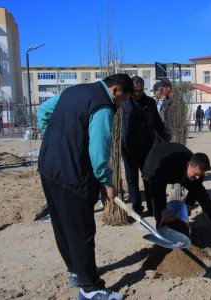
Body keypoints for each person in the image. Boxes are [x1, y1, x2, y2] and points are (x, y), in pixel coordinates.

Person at [37, 74, 134, 300]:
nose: (120, 106)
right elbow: (99, 153)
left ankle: (75, 271)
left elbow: (43, 112)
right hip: (73, 174)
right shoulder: (102, 106)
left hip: (49, 166)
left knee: (62, 224)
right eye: (122, 100)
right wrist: (107, 183)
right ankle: (90, 289)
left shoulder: (73, 91)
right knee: (81, 230)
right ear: (116, 90)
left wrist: (56, 142)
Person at [141, 142, 211, 230]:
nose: (197, 177)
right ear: (188, 165)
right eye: (196, 174)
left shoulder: (198, 169)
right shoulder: (163, 168)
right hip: (156, 162)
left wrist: (189, 203)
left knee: (200, 191)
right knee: (158, 200)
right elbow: (157, 191)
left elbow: (196, 187)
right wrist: (163, 210)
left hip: (177, 164)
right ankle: (160, 229)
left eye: (200, 175)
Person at [122, 76, 170, 216]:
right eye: (134, 91)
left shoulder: (150, 102)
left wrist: (166, 137)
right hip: (128, 148)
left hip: (146, 148)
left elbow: (157, 123)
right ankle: (137, 208)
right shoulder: (125, 102)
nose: (137, 93)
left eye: (140, 90)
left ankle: (152, 206)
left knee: (149, 178)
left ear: (144, 88)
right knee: (132, 180)